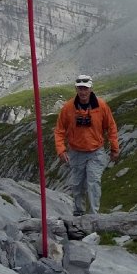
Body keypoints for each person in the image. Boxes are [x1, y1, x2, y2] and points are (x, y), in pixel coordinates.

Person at [54, 74, 119, 216]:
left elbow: (111, 127)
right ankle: (79, 213)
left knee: (93, 182)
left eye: (85, 88)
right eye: (80, 88)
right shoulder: (68, 107)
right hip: (76, 152)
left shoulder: (101, 106)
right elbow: (59, 130)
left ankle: (94, 215)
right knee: (77, 184)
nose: (83, 92)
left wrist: (114, 148)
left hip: (96, 152)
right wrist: (61, 150)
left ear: (90, 89)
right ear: (76, 89)